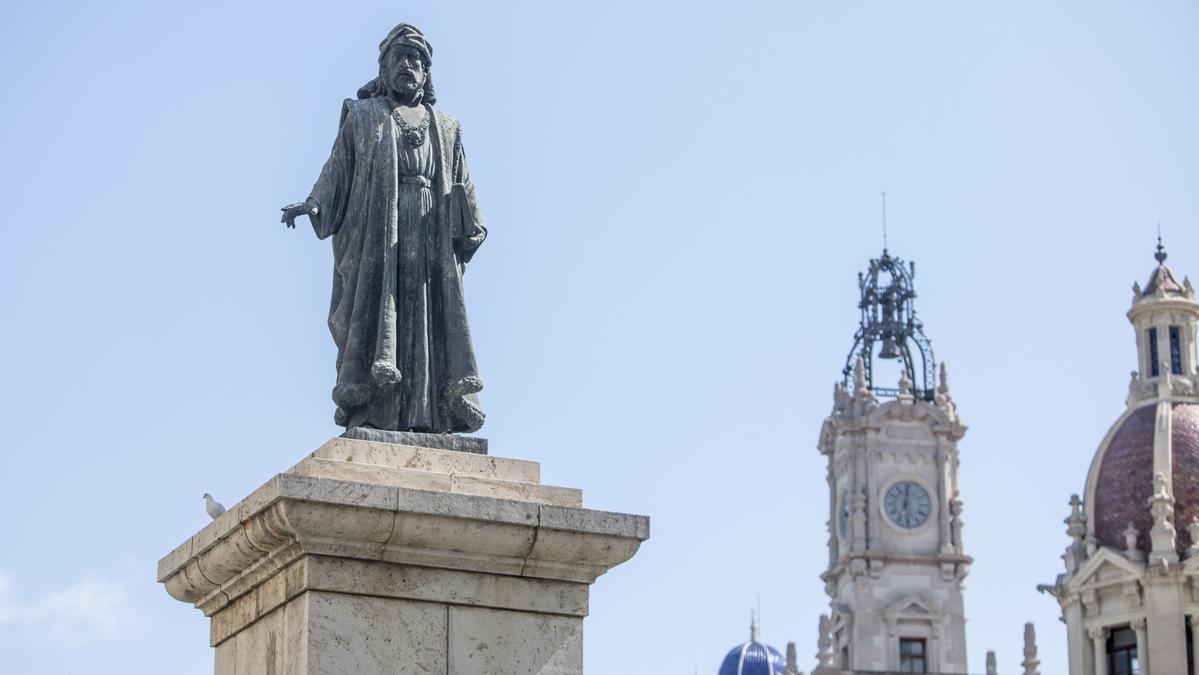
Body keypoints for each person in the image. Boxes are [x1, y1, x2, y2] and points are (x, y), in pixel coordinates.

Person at [282, 23, 486, 433]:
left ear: (426, 74)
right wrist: (315, 202)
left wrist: (473, 224)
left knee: (430, 326)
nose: (408, 65)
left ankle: (431, 416)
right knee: (384, 321)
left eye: (416, 60)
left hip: (432, 235)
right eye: (400, 58)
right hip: (382, 232)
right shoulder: (362, 116)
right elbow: (338, 168)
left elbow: (464, 185)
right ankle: (379, 412)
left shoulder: (447, 127)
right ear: (384, 68)